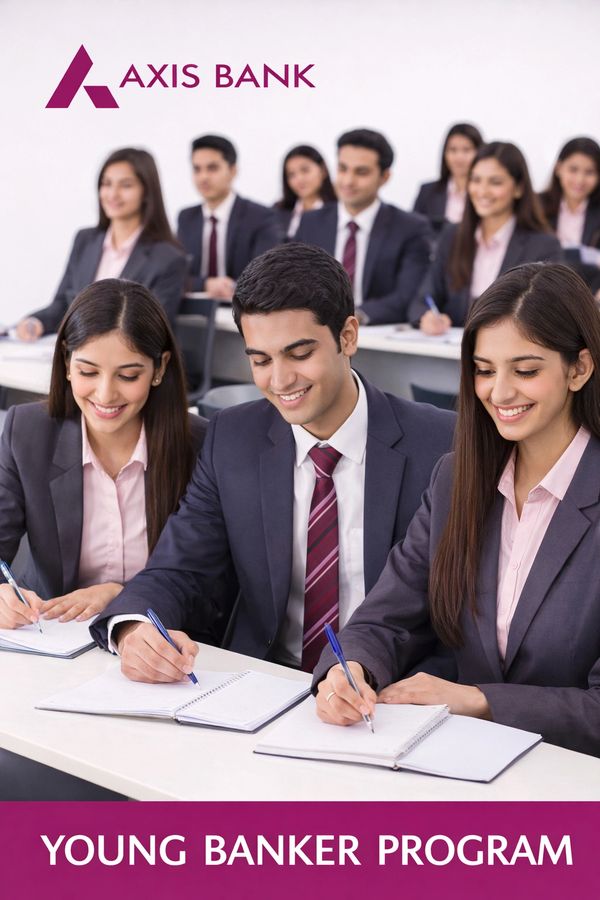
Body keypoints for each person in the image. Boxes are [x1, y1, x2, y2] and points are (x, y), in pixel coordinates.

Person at [90, 243, 455, 681]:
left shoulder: (440, 444)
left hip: (389, 688)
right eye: (261, 360)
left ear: (347, 336)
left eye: (299, 354)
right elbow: (180, 568)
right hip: (265, 683)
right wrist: (134, 629)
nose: (280, 380)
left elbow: (456, 616)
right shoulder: (232, 438)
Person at [314, 262, 600, 758]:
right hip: (457, 760)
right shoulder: (456, 478)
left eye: (526, 371)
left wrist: (480, 701)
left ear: (579, 368)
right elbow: (386, 618)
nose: (499, 392)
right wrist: (352, 668)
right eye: (484, 370)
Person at [0, 279, 207, 629]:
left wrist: (121, 594)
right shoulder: (28, 431)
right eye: (88, 372)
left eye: (128, 375)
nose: (106, 394)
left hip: (156, 637)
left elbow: (207, 581)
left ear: (159, 369)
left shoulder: (200, 444)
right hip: (53, 632)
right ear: (67, 363)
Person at [16, 148, 186, 335]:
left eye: (126, 185)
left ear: (146, 192)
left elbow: (153, 331)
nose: (113, 194)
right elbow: (63, 304)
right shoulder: (84, 240)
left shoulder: (168, 258)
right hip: (77, 350)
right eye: (106, 184)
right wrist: (36, 322)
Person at [409, 142, 562, 333]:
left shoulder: (543, 245)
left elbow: (547, 315)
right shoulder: (452, 236)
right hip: (452, 347)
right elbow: (422, 299)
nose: (482, 191)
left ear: (518, 188)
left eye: (495, 182)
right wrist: (427, 317)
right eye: (476, 180)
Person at [295, 128, 432, 325]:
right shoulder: (311, 223)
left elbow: (407, 295)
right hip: (318, 328)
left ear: (385, 177)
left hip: (375, 333)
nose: (348, 181)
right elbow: (296, 283)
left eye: (361, 172)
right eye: (342, 169)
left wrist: (356, 315)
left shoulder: (410, 228)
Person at [176, 134, 280, 301]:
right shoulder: (186, 218)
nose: (203, 177)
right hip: (192, 309)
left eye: (212, 168)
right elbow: (175, 276)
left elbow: (266, 277)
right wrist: (206, 284)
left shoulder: (260, 217)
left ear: (233, 171)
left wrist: (231, 288)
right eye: (197, 169)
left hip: (241, 308)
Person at [539, 137, 600, 293]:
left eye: (589, 172)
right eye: (573, 169)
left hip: (589, 293)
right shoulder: (537, 206)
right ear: (559, 168)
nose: (580, 180)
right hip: (541, 290)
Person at [413, 122, 484, 234]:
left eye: (466, 150)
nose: (459, 157)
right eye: (453, 150)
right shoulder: (427, 191)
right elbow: (413, 231)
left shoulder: (486, 193)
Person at [274, 145, 337, 240]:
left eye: (305, 170)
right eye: (291, 174)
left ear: (323, 170)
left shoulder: (339, 210)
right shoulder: (278, 211)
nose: (299, 179)